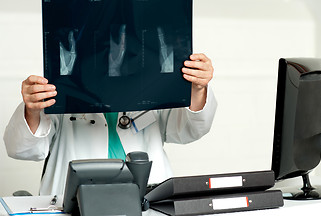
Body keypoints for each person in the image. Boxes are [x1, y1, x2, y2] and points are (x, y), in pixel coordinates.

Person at [3, 53, 217, 195]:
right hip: (75, 203)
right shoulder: (63, 91)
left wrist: (198, 88)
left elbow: (189, 129)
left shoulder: (151, 88)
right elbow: (22, 149)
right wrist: (32, 109)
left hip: (148, 202)